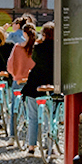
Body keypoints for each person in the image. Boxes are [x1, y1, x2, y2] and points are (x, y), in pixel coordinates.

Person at [22, 23, 57, 155]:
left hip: (35, 83)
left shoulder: (38, 48)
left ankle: (31, 146)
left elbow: (34, 59)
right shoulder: (58, 49)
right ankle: (50, 146)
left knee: (32, 117)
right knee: (50, 118)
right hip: (52, 83)